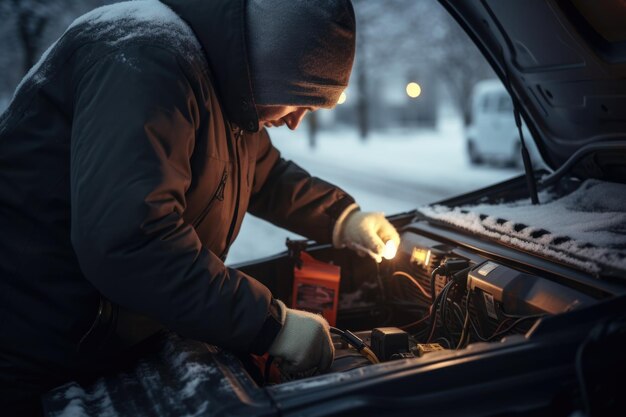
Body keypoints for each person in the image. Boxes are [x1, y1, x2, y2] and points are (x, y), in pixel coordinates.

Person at [0, 0, 399, 414]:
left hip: (95, 344)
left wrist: (343, 218)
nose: (297, 121)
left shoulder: (225, 87)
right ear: (267, 61)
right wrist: (269, 325)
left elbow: (266, 174)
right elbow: (130, 244)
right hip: (31, 357)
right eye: (297, 98)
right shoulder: (148, 60)